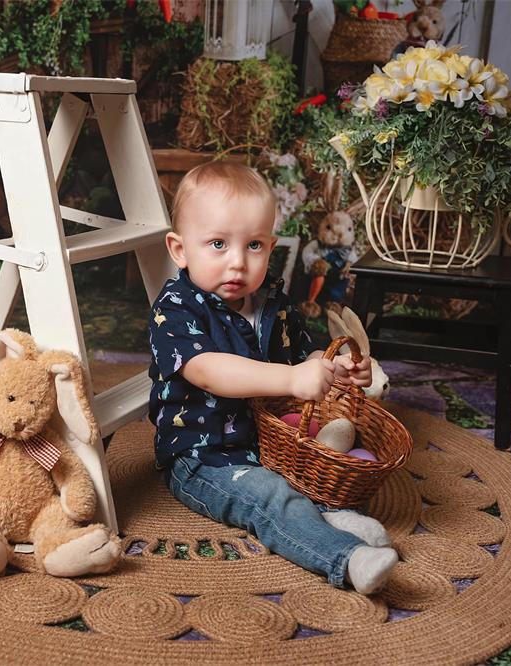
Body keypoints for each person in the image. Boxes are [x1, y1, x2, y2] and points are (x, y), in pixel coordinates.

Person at [148, 161, 399, 594]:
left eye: (255, 246)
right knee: (267, 498)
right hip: (205, 454)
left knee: (313, 456)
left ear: (271, 245)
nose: (238, 263)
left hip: (267, 442)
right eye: (218, 244)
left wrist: (334, 368)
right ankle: (345, 557)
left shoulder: (272, 303)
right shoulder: (176, 308)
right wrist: (290, 380)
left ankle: (329, 512)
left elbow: (305, 355)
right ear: (180, 249)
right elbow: (209, 371)